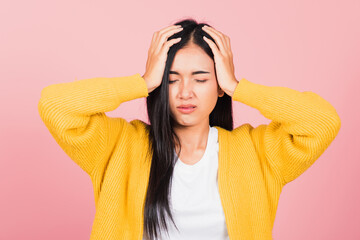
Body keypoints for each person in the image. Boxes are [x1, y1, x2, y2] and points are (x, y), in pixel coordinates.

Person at [38, 18, 341, 240]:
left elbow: (322, 121)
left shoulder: (256, 152)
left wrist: (238, 87)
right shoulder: (120, 146)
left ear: (219, 86)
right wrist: (141, 83)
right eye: (171, 79)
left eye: (200, 79)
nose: (185, 92)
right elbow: (55, 106)